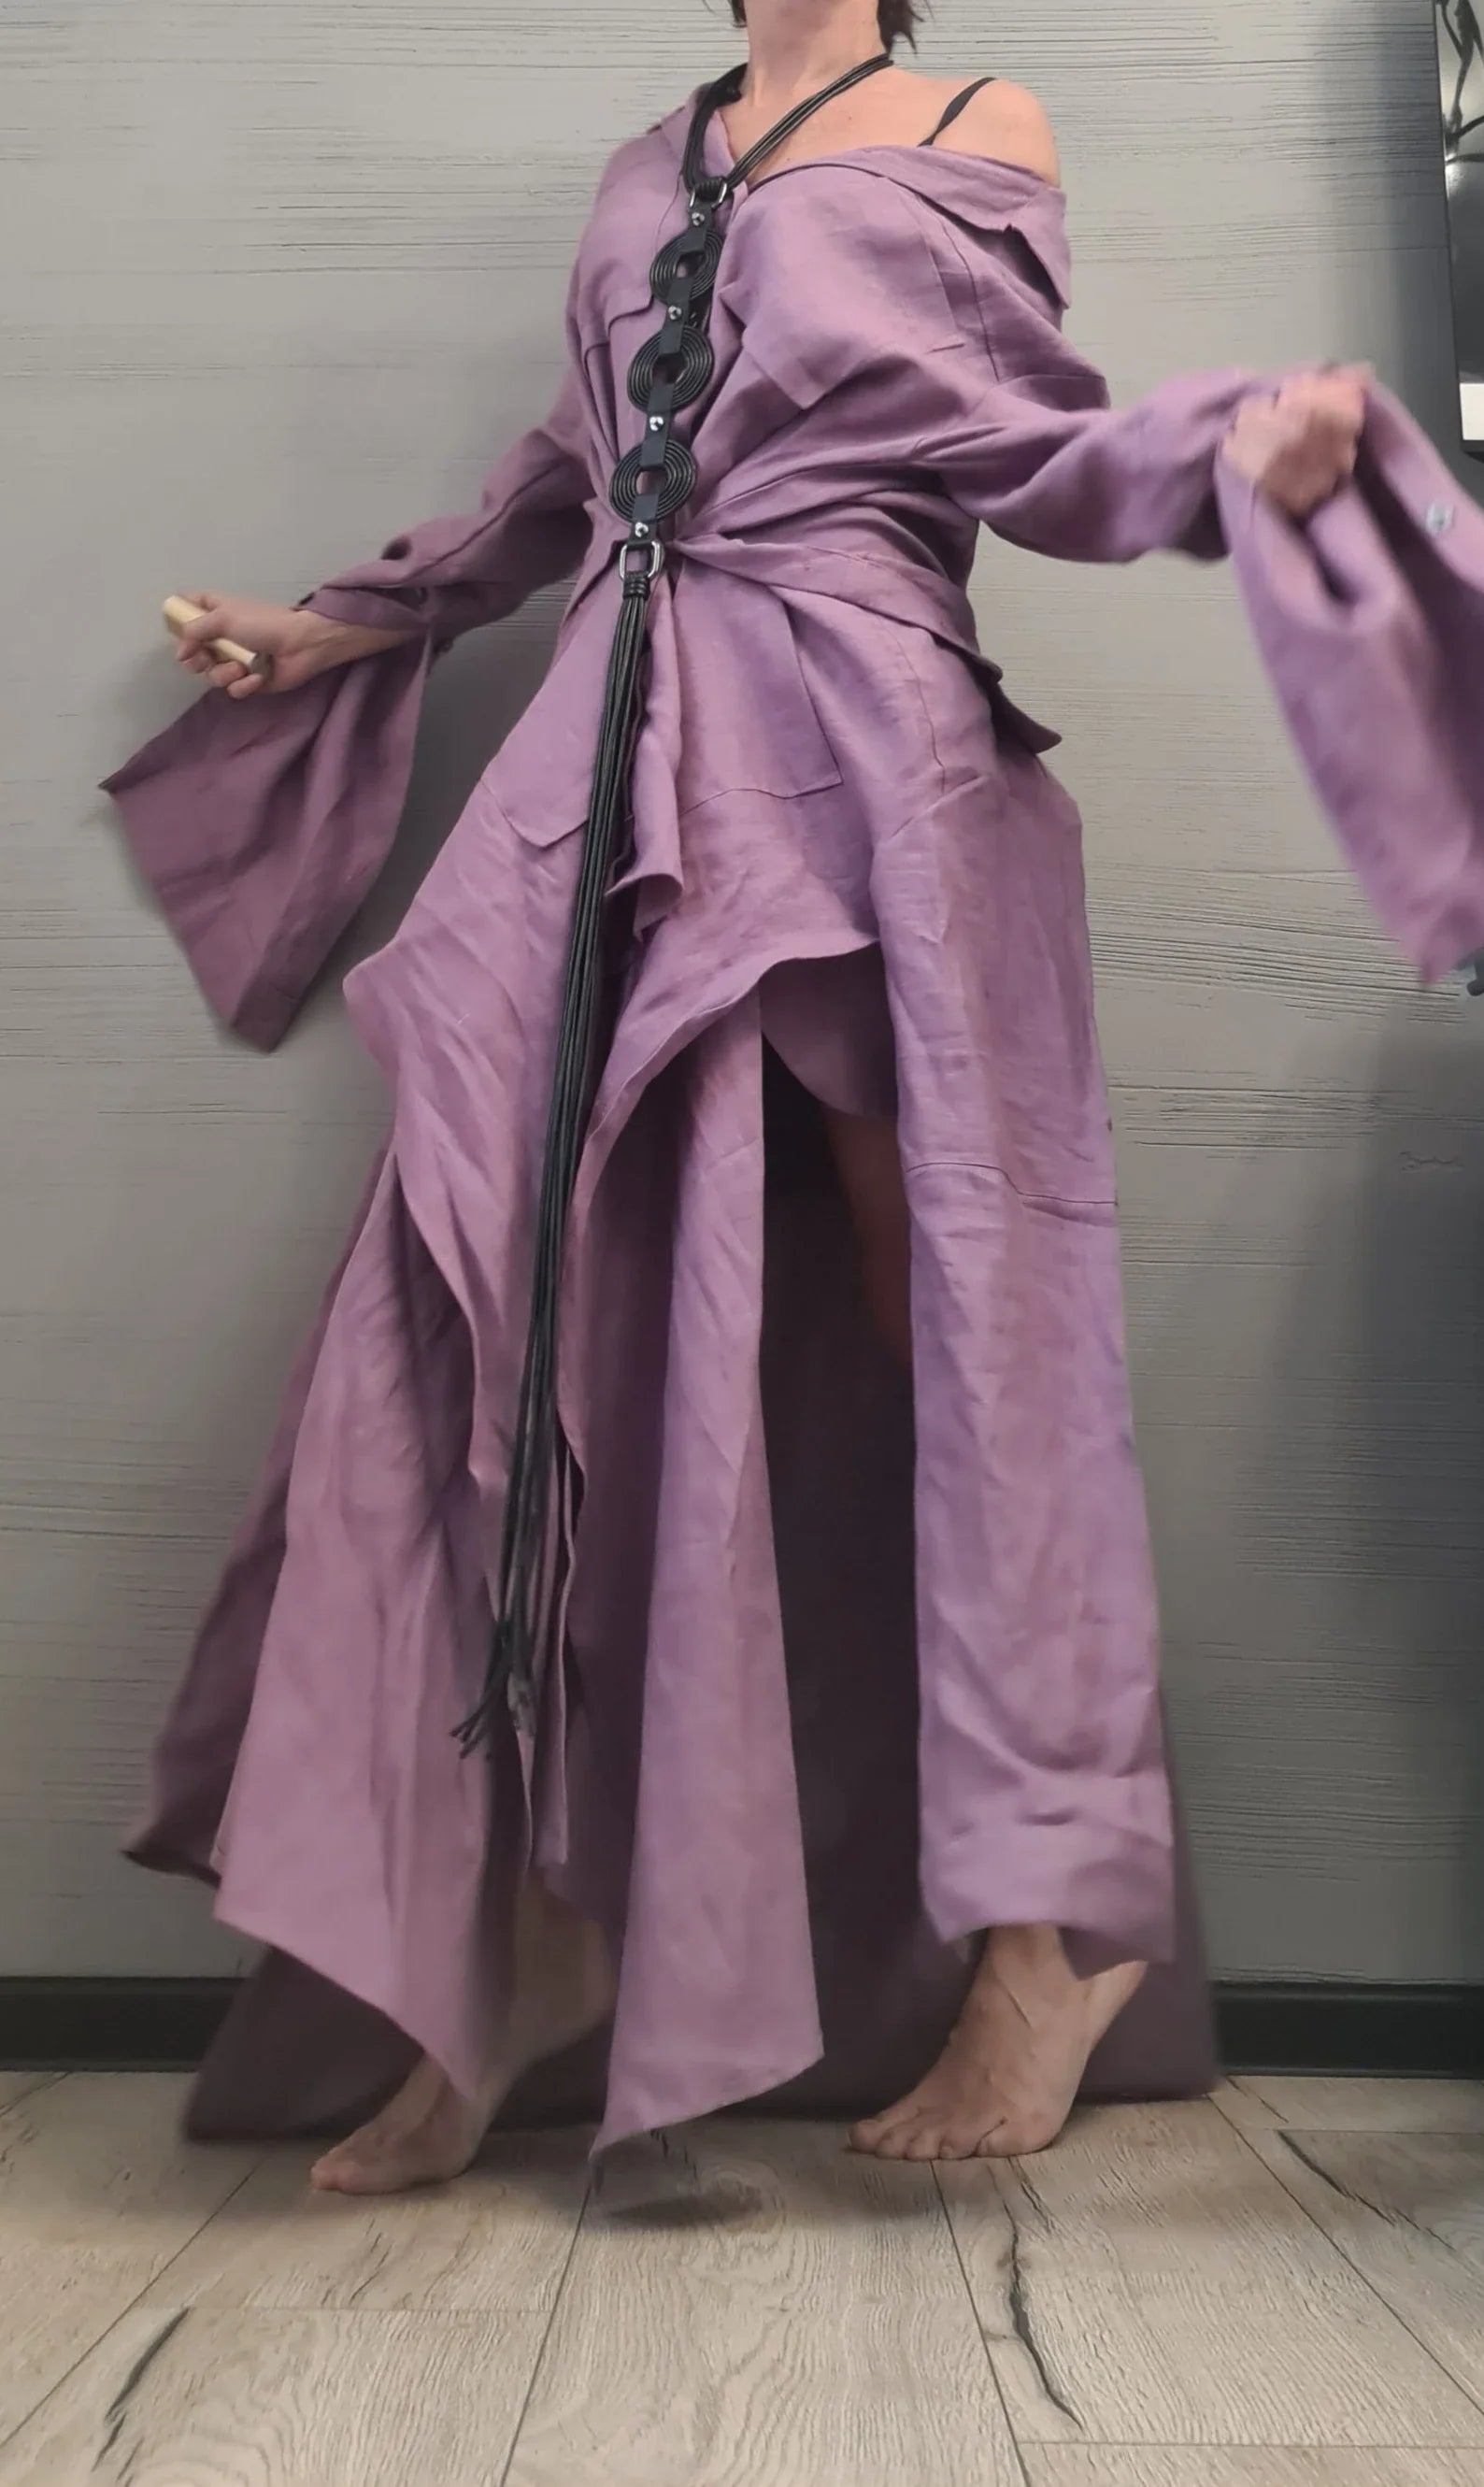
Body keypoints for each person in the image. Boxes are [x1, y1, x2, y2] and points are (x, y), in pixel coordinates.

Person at [109, 0, 1382, 2194]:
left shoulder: (972, 116)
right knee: (518, 1299)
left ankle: (1041, 1935)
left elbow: (1022, 442)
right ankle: (534, 1926)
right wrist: (339, 630)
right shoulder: (652, 157)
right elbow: (567, 473)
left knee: (948, 1323)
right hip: (613, 765)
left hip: (864, 758)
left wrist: (1220, 463)